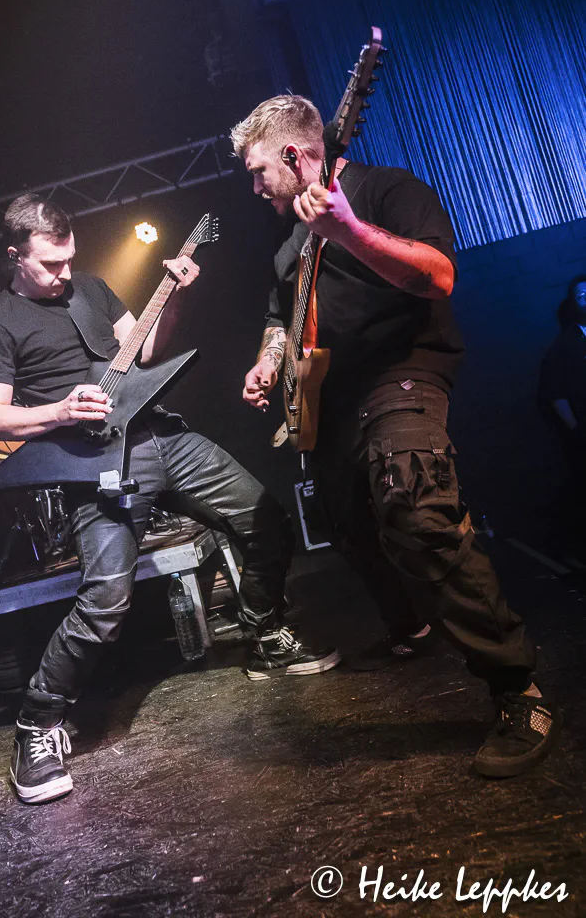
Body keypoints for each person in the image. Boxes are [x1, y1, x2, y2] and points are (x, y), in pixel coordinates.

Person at [0, 192, 340, 805]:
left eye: (69, 259)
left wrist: (177, 297)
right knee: (105, 601)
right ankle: (37, 724)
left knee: (266, 518)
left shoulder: (91, 289)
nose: (64, 273)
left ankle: (265, 633)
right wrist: (61, 410)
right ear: (15, 256)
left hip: (159, 436)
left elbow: (143, 353)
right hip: (93, 461)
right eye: (50, 265)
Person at [230, 94, 560, 778]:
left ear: (296, 155)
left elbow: (437, 276)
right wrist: (267, 361)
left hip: (401, 370)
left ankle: (517, 691)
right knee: (347, 523)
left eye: (260, 170)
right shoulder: (288, 243)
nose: (255, 187)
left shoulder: (387, 190)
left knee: (413, 502)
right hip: (331, 398)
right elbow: (277, 318)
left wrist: (349, 230)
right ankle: (411, 628)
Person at [539, 274, 586, 553]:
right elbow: (556, 395)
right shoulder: (563, 348)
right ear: (572, 304)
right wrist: (577, 431)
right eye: (581, 295)